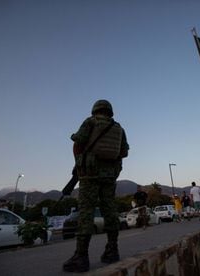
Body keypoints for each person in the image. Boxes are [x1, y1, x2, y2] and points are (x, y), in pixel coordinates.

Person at [63, 99, 129, 273]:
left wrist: (79, 165)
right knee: (110, 210)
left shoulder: (90, 122)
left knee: (86, 211)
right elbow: (124, 152)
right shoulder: (119, 128)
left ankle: (81, 256)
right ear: (110, 111)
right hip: (110, 175)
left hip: (89, 174)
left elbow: (78, 142)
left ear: (95, 110)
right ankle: (112, 250)